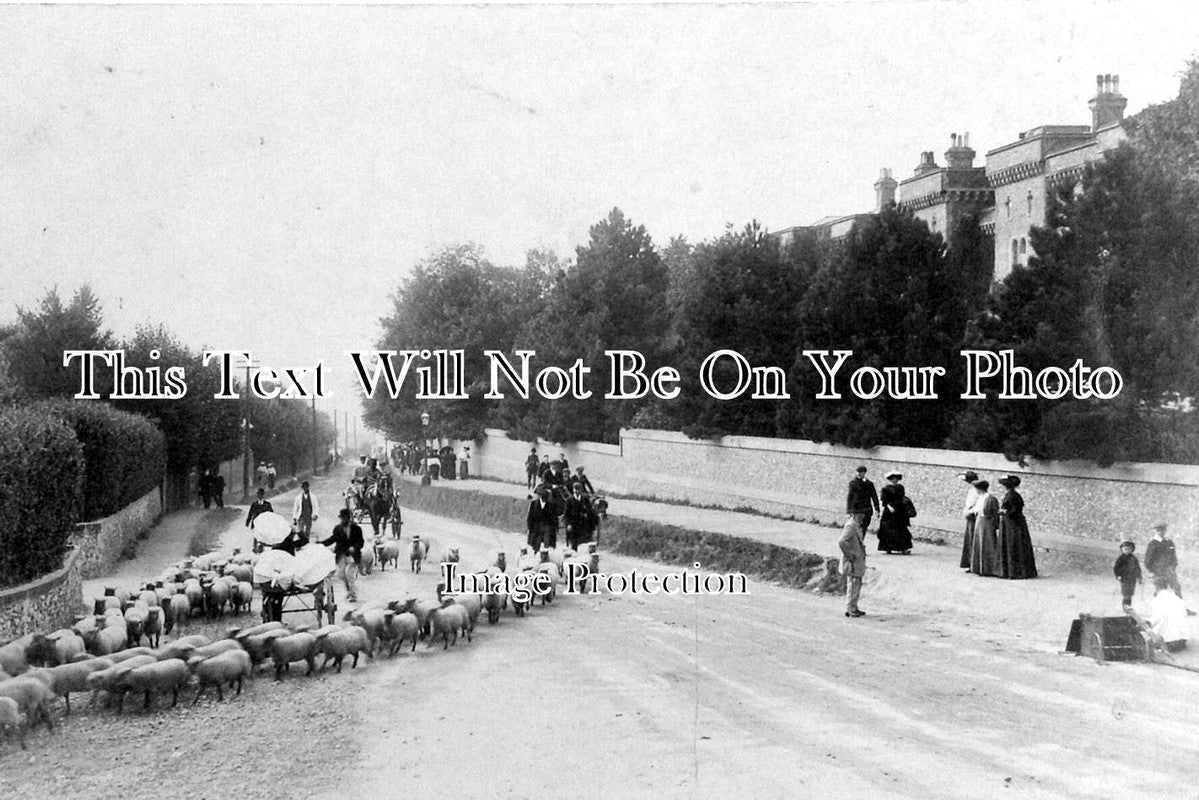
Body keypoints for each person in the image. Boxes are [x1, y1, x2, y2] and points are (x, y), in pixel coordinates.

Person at [996, 475, 1037, 579]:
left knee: (1013, 545)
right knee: (1012, 545)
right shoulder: (1011, 495)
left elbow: (1015, 510)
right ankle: (1011, 571)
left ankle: (1015, 572)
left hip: (1014, 524)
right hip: (1010, 523)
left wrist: (1004, 512)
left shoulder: (1013, 496)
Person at [321, 508, 364, 604]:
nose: (343, 519)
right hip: (341, 555)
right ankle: (349, 590)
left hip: (353, 556)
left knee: (349, 574)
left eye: (345, 517)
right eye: (342, 518)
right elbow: (332, 539)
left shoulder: (356, 528)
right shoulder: (337, 528)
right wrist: (320, 543)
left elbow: (361, 542)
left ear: (349, 518)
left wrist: (354, 547)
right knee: (340, 574)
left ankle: (353, 595)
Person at [1147, 577, 1189, 653]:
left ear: (1156, 587)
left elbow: (1156, 619)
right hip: (1184, 637)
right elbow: (1184, 612)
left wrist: (1147, 623)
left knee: (1154, 628)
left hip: (1170, 640)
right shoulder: (1175, 597)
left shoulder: (1157, 600)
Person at [968, 480, 1001, 577]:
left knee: (987, 543)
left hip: (987, 522)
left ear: (980, 489)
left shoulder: (990, 499)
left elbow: (991, 512)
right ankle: (978, 567)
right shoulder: (980, 498)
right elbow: (976, 508)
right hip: (979, 521)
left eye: (977, 489)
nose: (976, 491)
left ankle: (989, 569)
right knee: (979, 543)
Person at [876, 471, 912, 554]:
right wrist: (889, 507)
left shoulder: (900, 487)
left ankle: (903, 548)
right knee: (889, 529)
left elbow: (902, 497)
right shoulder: (885, 489)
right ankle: (888, 547)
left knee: (901, 529)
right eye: (893, 479)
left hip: (900, 510)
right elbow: (884, 500)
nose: (894, 480)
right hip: (890, 511)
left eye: (896, 478)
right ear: (890, 479)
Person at [838, 515, 866, 618]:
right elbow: (842, 542)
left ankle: (853, 607)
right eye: (861, 514)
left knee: (856, 583)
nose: (863, 516)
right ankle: (850, 608)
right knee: (853, 584)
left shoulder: (855, 525)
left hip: (857, 559)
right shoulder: (851, 526)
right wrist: (849, 555)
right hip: (852, 560)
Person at [1145, 523, 1183, 599]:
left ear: (1165, 531)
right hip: (1158, 570)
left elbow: (1173, 556)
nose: (1161, 532)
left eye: (1163, 530)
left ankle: (1180, 604)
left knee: (1176, 588)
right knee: (1160, 590)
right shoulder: (1153, 543)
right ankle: (1158, 604)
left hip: (1169, 570)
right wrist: (1152, 570)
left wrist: (1173, 566)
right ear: (1156, 531)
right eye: (1158, 530)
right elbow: (1148, 559)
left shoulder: (1169, 542)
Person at [846, 465, 880, 536]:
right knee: (856, 528)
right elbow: (849, 497)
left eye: (861, 472)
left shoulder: (869, 484)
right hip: (856, 509)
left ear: (864, 473)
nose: (859, 473)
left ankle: (861, 541)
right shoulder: (853, 483)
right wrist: (848, 511)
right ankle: (858, 542)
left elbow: (874, 497)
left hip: (867, 509)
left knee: (864, 528)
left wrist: (877, 509)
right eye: (858, 472)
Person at [958, 471, 981, 570]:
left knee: (972, 538)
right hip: (971, 514)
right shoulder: (973, 490)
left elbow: (971, 504)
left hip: (973, 515)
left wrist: (968, 511)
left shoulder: (975, 491)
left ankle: (972, 562)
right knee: (970, 537)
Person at [526, 487, 557, 551]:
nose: (543, 499)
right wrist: (529, 527)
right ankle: (535, 553)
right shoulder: (534, 504)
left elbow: (554, 518)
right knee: (535, 545)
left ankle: (545, 554)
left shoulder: (551, 505)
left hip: (546, 527)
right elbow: (530, 516)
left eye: (545, 498)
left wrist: (554, 528)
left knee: (547, 545)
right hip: (536, 527)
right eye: (542, 497)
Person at [1114, 540, 1142, 611]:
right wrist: (1118, 575)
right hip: (1124, 579)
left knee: (1130, 594)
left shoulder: (1134, 558)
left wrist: (1139, 577)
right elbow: (1116, 568)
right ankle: (1125, 607)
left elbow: (1137, 568)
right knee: (1126, 593)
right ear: (1122, 549)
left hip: (1132, 579)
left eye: (1129, 549)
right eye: (1125, 549)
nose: (1127, 551)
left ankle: (1129, 606)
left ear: (1132, 549)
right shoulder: (1121, 558)